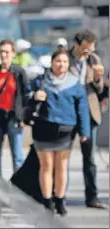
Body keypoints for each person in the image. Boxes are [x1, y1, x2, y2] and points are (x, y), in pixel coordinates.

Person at [30, 48, 90, 216]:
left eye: (64, 61)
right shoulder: (40, 81)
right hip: (43, 128)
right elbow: (26, 96)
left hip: (65, 130)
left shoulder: (75, 83)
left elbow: (82, 109)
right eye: (58, 61)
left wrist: (84, 131)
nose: (61, 64)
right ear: (51, 63)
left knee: (62, 166)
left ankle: (60, 199)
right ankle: (47, 200)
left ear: (68, 64)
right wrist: (35, 95)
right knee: (46, 166)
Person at [67, 30, 108, 209]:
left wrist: (99, 79)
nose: (87, 53)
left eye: (90, 50)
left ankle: (92, 197)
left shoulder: (94, 60)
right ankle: (56, 195)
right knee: (61, 156)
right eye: (84, 50)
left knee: (89, 158)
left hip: (89, 113)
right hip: (67, 112)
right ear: (76, 44)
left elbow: (99, 91)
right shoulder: (64, 59)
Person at [0, 39, 29, 176]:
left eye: (7, 52)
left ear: (13, 53)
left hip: (14, 117)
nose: (4, 55)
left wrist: (23, 117)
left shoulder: (19, 72)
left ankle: (18, 189)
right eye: (1, 52)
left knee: (17, 156)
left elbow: (25, 96)